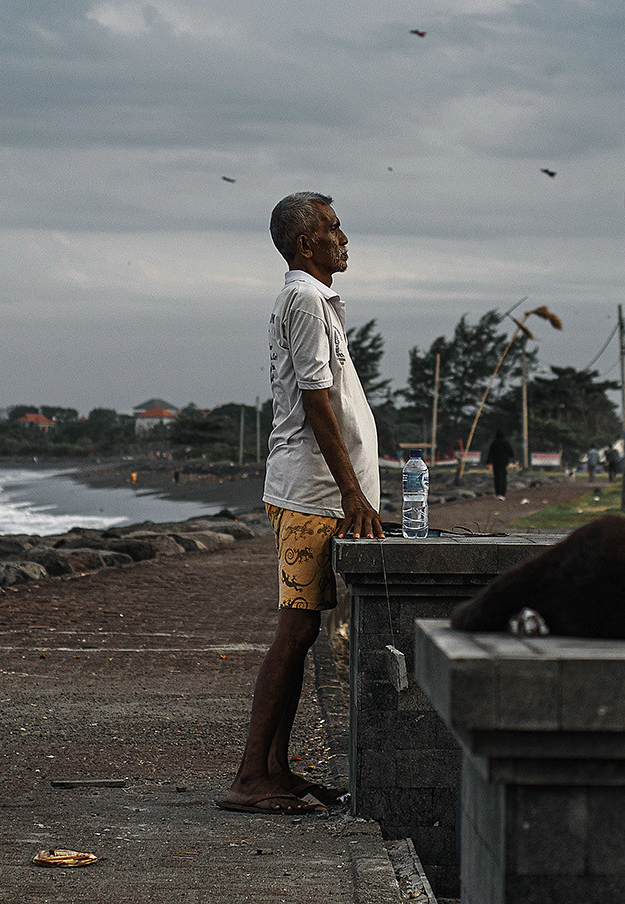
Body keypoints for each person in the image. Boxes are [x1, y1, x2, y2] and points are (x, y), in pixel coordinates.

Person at [220, 193, 384, 816]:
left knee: (305, 627)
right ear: (303, 245)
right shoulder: (307, 300)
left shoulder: (313, 300)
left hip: (317, 491)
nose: (345, 238)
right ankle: (248, 778)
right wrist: (351, 493)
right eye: (333, 229)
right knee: (294, 633)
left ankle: (274, 771)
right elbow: (317, 401)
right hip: (311, 493)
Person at [485, 428, 515, 498]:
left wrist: (488, 462)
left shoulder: (494, 443)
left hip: (496, 463)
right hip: (504, 463)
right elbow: (511, 454)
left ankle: (498, 492)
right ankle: (503, 492)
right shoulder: (506, 443)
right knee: (503, 477)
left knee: (497, 477)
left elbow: (490, 454)